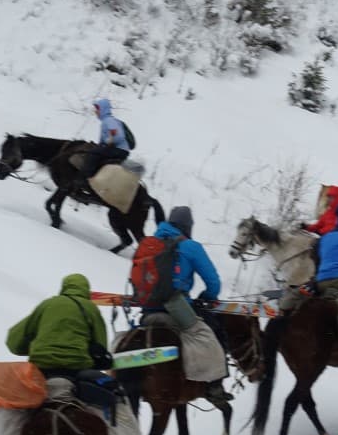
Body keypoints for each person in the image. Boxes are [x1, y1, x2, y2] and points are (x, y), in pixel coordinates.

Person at [1, 273, 112, 435]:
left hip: (41, 372)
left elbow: (14, 341)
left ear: (64, 288)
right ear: (85, 292)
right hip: (76, 372)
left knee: (20, 416)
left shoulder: (48, 305)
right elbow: (101, 348)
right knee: (95, 412)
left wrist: (36, 346)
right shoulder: (90, 309)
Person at [143, 206, 232, 402]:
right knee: (212, 334)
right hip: (177, 307)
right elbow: (213, 282)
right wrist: (206, 297)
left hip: (147, 307)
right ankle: (215, 386)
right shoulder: (190, 246)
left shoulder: (149, 243)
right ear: (187, 226)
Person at [84, 98, 131, 177]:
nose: (95, 111)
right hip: (121, 150)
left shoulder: (109, 120)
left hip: (119, 150)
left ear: (103, 109)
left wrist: (108, 141)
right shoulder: (107, 121)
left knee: (93, 153)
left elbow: (119, 136)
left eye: (97, 109)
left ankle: (86, 177)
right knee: (96, 150)